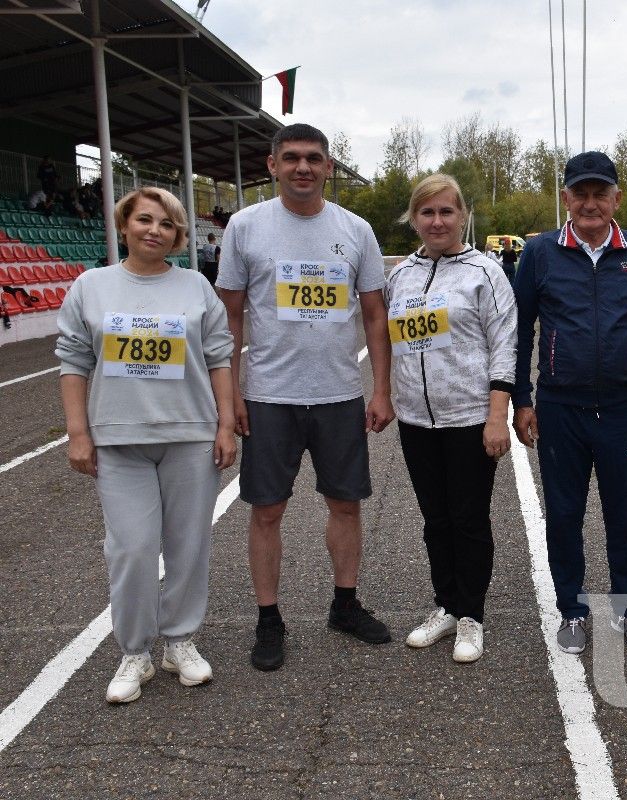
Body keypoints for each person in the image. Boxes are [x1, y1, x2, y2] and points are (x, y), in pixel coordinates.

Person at [216, 123, 395, 672]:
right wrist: (234, 398)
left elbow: (373, 315)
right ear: (271, 165)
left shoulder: (356, 230)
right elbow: (230, 317)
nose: (303, 168)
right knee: (267, 510)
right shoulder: (245, 228)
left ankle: (345, 604)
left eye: (314, 158)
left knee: (345, 504)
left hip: (339, 394)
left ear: (329, 168)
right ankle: (269, 619)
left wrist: (380, 389)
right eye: (291, 158)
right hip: (270, 396)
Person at [56, 187, 236, 703]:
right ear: (125, 223)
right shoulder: (91, 287)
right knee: (132, 549)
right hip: (118, 441)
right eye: (144, 220)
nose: (154, 230)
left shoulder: (196, 288)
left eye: (167, 224)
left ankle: (180, 641)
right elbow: (73, 362)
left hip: (190, 436)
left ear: (179, 235)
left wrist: (225, 426)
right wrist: (78, 434)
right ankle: (134, 652)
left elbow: (220, 357)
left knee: (188, 547)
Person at [512, 151, 627, 655]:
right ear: (566, 199)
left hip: (625, 408)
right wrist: (522, 398)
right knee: (563, 514)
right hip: (561, 408)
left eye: (601, 193)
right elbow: (519, 334)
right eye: (580, 193)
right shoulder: (539, 253)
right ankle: (572, 612)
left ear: (616, 198)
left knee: (626, 514)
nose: (590, 203)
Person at [388, 174, 516, 663]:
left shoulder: (485, 273)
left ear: (462, 215)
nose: (437, 221)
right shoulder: (399, 276)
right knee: (435, 519)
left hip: (468, 417)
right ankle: (445, 603)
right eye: (427, 212)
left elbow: (505, 345)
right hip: (416, 419)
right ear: (414, 219)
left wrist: (496, 416)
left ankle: (471, 615)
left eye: (446, 211)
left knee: (468, 519)